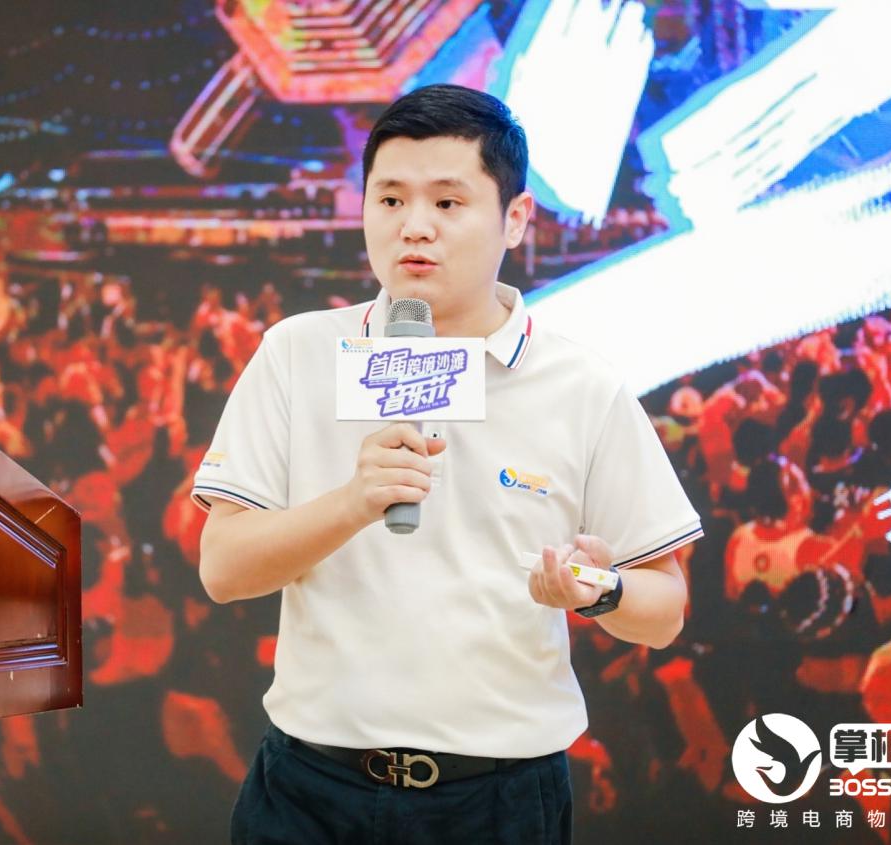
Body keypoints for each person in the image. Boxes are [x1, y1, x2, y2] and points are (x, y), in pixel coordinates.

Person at [191, 84, 701, 845]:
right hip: (309, 791)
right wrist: (353, 502)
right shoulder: (298, 353)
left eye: (447, 202)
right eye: (390, 200)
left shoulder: (581, 386)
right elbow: (224, 568)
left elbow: (664, 609)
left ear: (514, 218)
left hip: (497, 799)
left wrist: (599, 590)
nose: (414, 227)